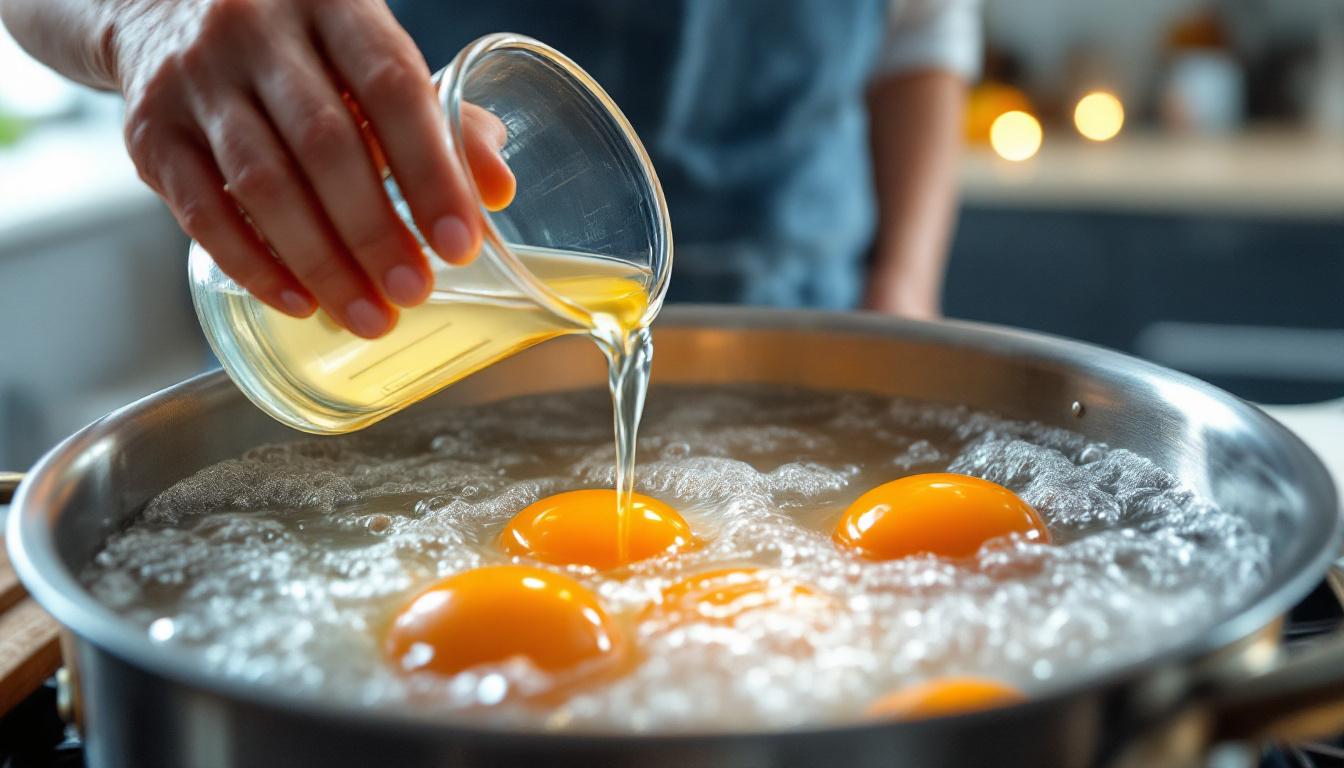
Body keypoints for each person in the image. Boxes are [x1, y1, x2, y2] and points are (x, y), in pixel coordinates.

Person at [1, 0, 977, 337]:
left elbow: (923, 32)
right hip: (397, 316)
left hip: (805, 315)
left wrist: (905, 287)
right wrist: (145, 12)